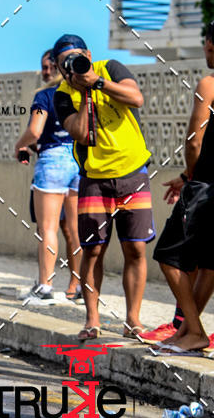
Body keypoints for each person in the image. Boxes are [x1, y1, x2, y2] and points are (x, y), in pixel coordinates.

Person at [53, 34, 155, 342]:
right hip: (94, 179)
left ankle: (133, 320)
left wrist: (96, 81)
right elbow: (82, 134)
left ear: (88, 53)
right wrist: (83, 92)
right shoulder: (62, 94)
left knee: (135, 247)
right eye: (63, 64)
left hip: (133, 171)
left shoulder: (109, 67)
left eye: (76, 58)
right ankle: (92, 320)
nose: (71, 67)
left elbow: (135, 98)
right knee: (93, 250)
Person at [151, 21, 214, 354]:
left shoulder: (210, 83)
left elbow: (195, 141)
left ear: (211, 44)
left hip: (206, 187)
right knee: (209, 263)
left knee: (169, 256)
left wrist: (191, 176)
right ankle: (190, 331)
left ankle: (196, 332)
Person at [15, 49, 81, 305]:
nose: (45, 71)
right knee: (75, 230)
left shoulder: (44, 96)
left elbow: (34, 130)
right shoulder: (79, 93)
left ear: (58, 67)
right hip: (78, 159)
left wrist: (19, 145)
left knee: (48, 229)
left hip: (52, 161)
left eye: (48, 66)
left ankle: (45, 286)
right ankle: (78, 286)